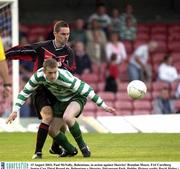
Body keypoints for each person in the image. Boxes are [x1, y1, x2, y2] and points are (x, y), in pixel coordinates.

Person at [6, 59, 116, 157]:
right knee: (52, 131)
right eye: (50, 73)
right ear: (44, 71)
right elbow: (25, 92)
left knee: (68, 117)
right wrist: (15, 111)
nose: (53, 75)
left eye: (55, 72)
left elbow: (87, 90)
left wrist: (104, 106)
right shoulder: (37, 77)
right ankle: (71, 150)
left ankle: (83, 147)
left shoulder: (65, 77)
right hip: (61, 101)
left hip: (76, 97)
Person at [5, 20, 76, 159]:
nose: (66, 37)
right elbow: (21, 50)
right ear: (55, 33)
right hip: (41, 89)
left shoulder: (69, 52)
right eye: (63, 34)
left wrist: (61, 67)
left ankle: (55, 148)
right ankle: (38, 152)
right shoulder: (43, 47)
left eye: (68, 34)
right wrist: (4, 55)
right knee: (48, 117)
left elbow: (72, 72)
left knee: (61, 125)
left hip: (58, 91)